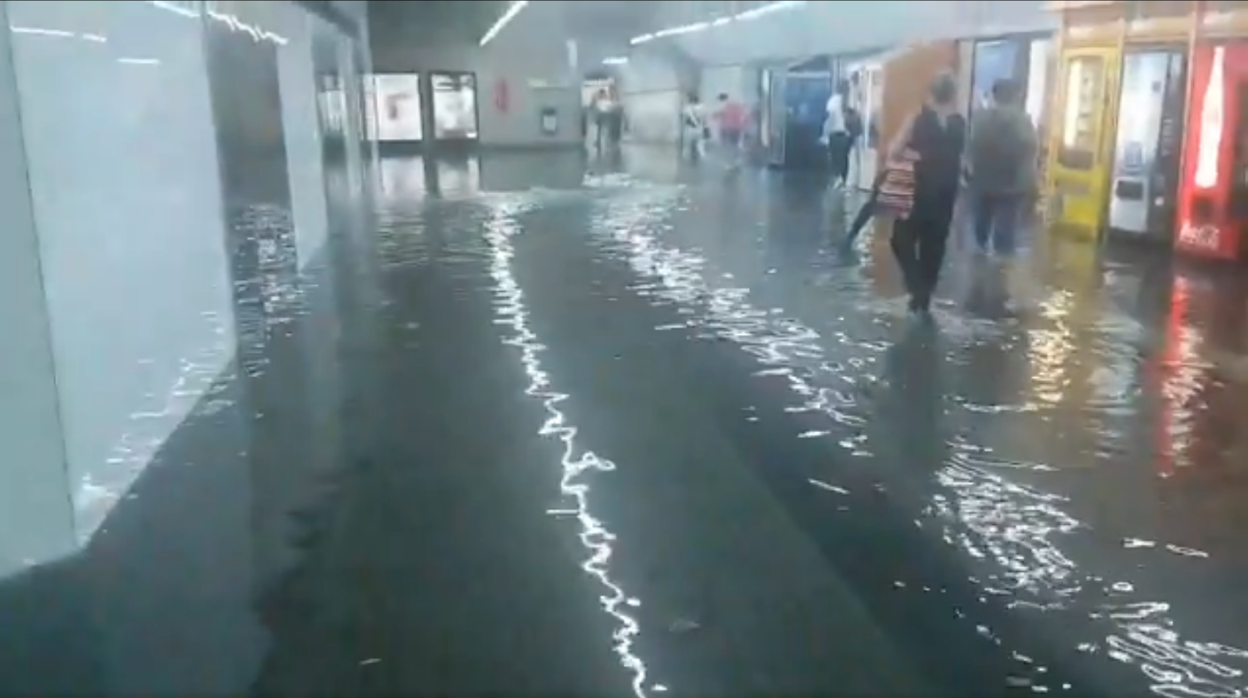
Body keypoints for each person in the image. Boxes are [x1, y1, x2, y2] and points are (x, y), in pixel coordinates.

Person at [888, 72, 966, 314]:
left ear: (930, 92)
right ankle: (924, 299)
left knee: (901, 238)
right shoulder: (960, 123)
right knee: (935, 243)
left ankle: (916, 286)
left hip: (918, 189)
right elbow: (962, 159)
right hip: (947, 190)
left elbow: (894, 151)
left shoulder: (917, 118)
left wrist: (916, 156)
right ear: (953, 94)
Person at [966, 78, 1037, 256]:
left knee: (981, 226)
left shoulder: (979, 118)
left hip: (982, 180)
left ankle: (980, 259)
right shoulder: (1022, 120)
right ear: (1013, 96)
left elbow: (970, 145)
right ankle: (999, 271)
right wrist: (1030, 182)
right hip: (1011, 183)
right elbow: (1029, 150)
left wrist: (969, 172)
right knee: (1005, 231)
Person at [824, 79, 851, 188]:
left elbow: (831, 118)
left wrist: (825, 133)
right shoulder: (849, 99)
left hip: (835, 133)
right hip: (847, 134)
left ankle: (837, 179)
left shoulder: (833, 100)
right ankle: (843, 181)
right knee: (844, 159)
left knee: (835, 158)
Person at [714, 92, 749, 166]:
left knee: (727, 145)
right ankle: (737, 159)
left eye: (719, 100)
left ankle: (730, 162)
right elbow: (744, 115)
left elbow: (719, 114)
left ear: (722, 99)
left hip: (727, 128)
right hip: (737, 128)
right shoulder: (736, 105)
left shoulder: (724, 106)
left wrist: (714, 115)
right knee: (735, 145)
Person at [682, 93, 706, 160]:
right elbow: (704, 118)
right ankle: (702, 156)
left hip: (690, 128)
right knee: (700, 145)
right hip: (699, 128)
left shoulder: (687, 107)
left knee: (687, 145)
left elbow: (684, 116)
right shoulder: (702, 107)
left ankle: (685, 158)